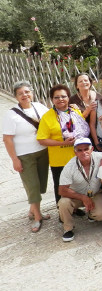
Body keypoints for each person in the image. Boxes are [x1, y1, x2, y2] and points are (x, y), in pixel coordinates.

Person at [2, 81, 50, 232]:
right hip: (25, 155)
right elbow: (7, 139)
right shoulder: (11, 115)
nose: (25, 95)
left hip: (43, 151)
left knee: (41, 184)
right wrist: (15, 159)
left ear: (32, 93)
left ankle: (32, 210)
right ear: (16, 96)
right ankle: (37, 217)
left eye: (27, 92)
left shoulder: (40, 107)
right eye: (20, 93)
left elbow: (53, 118)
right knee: (32, 185)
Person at [37, 84, 90, 204]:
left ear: (68, 97)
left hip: (78, 157)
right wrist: (62, 143)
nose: (60, 99)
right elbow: (41, 139)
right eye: (56, 97)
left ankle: (75, 208)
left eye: (63, 96)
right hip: (60, 159)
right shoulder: (47, 117)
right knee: (61, 187)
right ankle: (62, 212)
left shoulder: (75, 111)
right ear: (52, 99)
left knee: (76, 184)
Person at [58, 138, 102, 242]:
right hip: (75, 195)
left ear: (92, 149)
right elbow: (62, 191)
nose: (84, 152)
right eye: (79, 150)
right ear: (75, 152)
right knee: (63, 203)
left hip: (94, 193)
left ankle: (91, 214)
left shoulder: (100, 157)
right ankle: (68, 228)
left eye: (86, 149)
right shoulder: (69, 167)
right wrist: (82, 197)